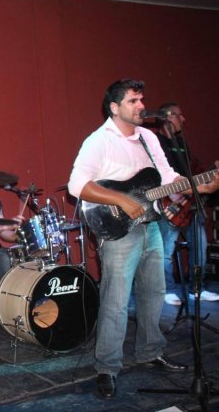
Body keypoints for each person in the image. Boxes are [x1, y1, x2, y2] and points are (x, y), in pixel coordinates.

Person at [68, 79, 219, 399]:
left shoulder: (149, 137)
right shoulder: (98, 140)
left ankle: (150, 351)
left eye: (141, 100)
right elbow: (77, 185)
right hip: (117, 227)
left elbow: (167, 179)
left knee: (154, 292)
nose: (141, 106)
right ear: (115, 107)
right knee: (116, 300)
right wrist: (122, 200)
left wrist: (200, 184)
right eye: (133, 101)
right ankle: (107, 367)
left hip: (151, 223)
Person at [154, 102, 219, 306]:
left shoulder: (181, 142)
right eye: (178, 115)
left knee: (200, 246)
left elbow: (191, 172)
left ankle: (197, 288)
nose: (183, 119)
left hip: (190, 204)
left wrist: (211, 173)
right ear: (167, 118)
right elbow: (155, 175)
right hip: (169, 203)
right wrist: (173, 193)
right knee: (165, 251)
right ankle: (167, 290)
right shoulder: (156, 142)